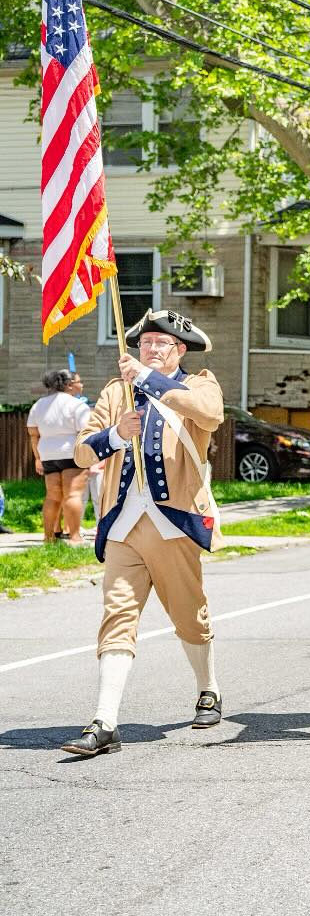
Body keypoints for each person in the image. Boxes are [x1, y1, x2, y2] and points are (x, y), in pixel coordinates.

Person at [60, 310, 224, 758]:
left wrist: (149, 379)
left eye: (161, 343)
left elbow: (210, 415)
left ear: (180, 350)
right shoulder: (116, 392)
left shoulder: (200, 384)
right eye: (145, 342)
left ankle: (208, 688)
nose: (151, 349)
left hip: (175, 523)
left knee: (189, 617)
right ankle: (105, 721)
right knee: (116, 619)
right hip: (122, 526)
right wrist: (115, 434)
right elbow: (81, 452)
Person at [26, 369, 92, 543]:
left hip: (47, 455)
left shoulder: (39, 405)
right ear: (69, 385)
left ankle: (48, 538)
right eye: (79, 381)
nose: (81, 385)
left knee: (52, 496)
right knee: (73, 495)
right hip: (71, 454)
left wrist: (37, 458)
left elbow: (33, 434)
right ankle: (75, 537)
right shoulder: (77, 405)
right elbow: (85, 433)